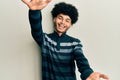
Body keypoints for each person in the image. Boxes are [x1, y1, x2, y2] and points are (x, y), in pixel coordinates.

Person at [22, 0, 109, 80]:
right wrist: (34, 11)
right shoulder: (45, 40)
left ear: (70, 24)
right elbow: (36, 30)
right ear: (54, 19)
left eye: (67, 20)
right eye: (60, 18)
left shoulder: (75, 43)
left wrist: (88, 73)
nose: (63, 22)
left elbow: (81, 60)